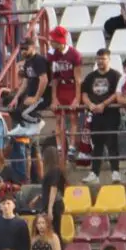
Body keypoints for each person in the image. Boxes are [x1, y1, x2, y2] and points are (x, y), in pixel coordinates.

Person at [81, 49, 122, 184]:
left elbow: (117, 93)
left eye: (103, 59)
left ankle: (115, 172)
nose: (100, 61)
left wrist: (104, 104)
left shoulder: (115, 75)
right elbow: (84, 93)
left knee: (112, 143)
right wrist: (90, 104)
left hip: (110, 114)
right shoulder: (91, 76)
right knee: (97, 144)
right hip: (95, 115)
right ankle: (94, 173)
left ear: (108, 59)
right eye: (98, 59)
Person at [47, 26, 82, 157]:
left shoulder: (74, 55)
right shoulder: (53, 55)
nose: (51, 43)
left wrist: (77, 98)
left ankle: (72, 146)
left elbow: (78, 79)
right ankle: (60, 146)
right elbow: (54, 77)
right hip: (60, 86)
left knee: (73, 117)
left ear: (60, 41)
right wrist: (54, 97)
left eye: (53, 40)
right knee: (58, 117)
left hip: (72, 86)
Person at [7, 39, 49, 138]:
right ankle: (23, 126)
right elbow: (25, 82)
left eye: (26, 48)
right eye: (21, 49)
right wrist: (16, 98)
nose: (23, 51)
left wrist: (36, 98)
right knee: (10, 105)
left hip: (42, 96)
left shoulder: (39, 60)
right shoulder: (27, 62)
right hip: (31, 94)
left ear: (33, 47)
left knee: (24, 112)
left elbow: (44, 80)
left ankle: (38, 122)